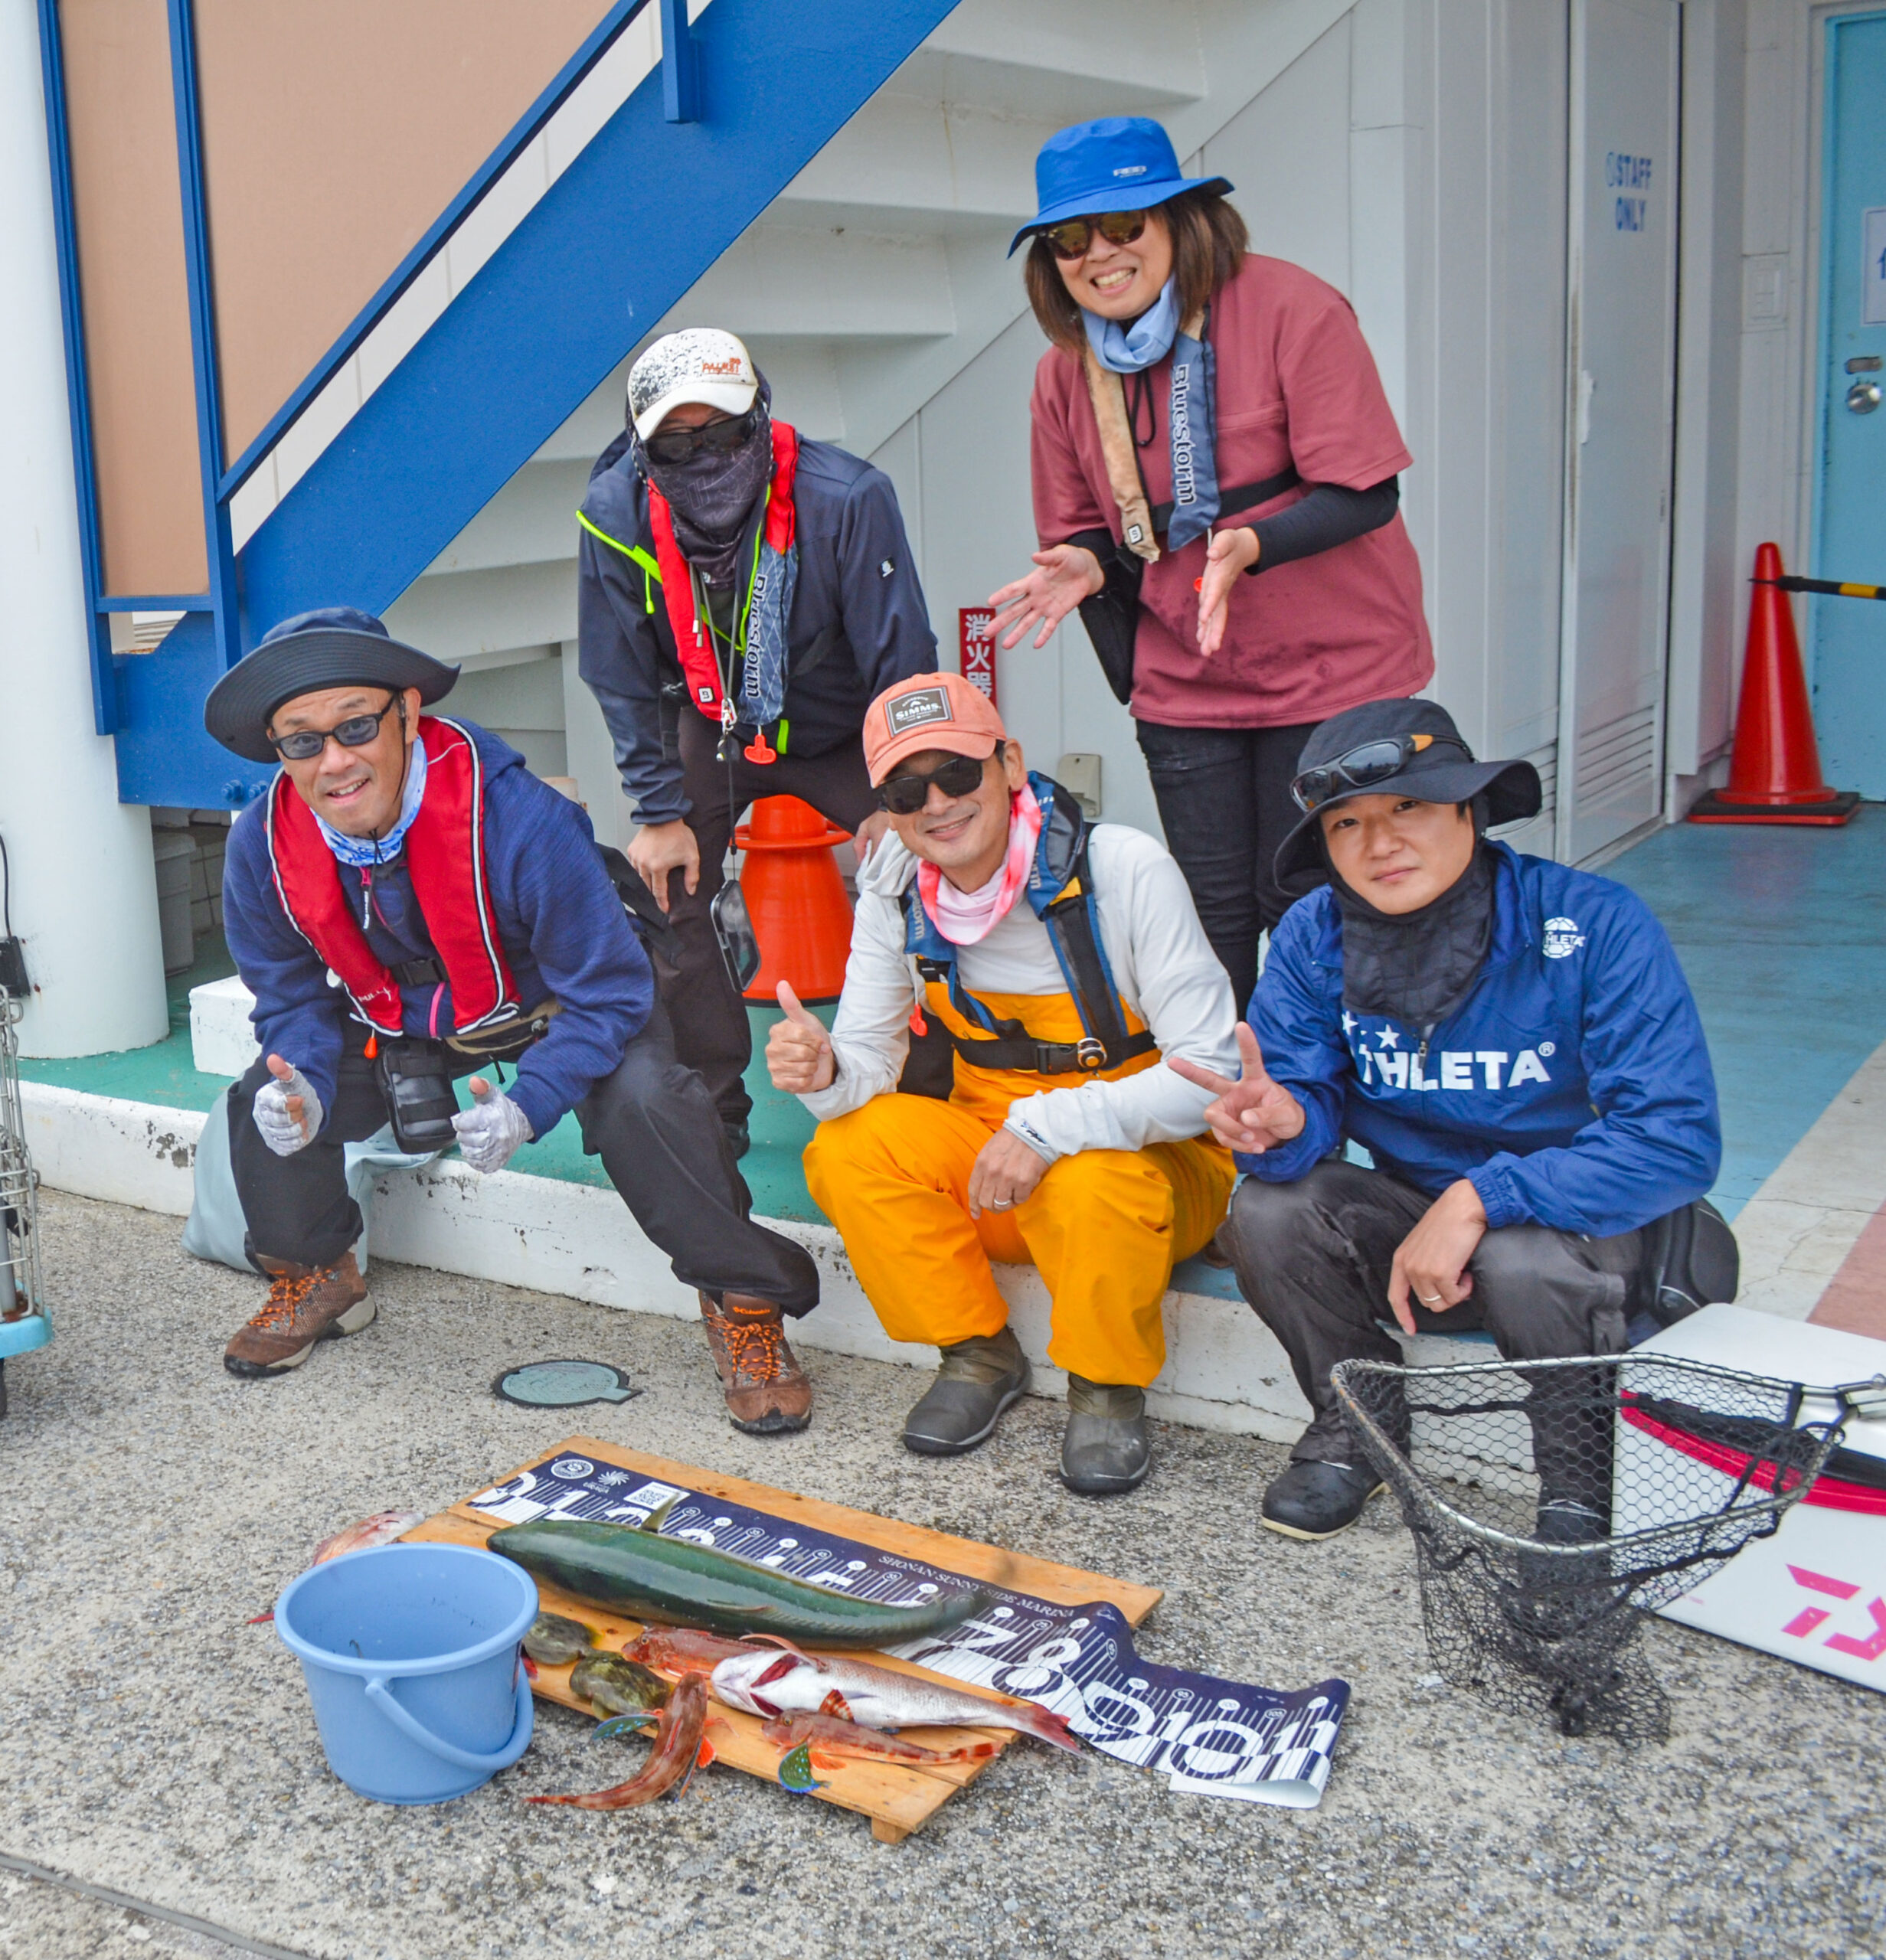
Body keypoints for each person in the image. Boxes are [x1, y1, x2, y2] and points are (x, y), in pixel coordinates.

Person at [204, 607, 820, 1433]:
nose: (335, 761)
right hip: (409, 1017)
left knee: (647, 1097)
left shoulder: (519, 816)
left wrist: (530, 1100)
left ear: (409, 713)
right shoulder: (261, 843)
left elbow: (608, 992)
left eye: (355, 725)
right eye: (302, 740)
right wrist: (304, 1083)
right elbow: (287, 994)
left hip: (559, 1000)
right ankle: (318, 1271)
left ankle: (745, 1300)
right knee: (264, 1100)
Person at [1171, 699, 1724, 1541]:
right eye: (1346, 822)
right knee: (1266, 1208)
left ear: (1469, 807)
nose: (1379, 842)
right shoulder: (1311, 934)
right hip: (1415, 1230)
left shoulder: (1595, 923)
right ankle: (1359, 1424)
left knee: (1524, 1256)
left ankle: (1577, 1484)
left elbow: (1672, 1137)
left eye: (1410, 806)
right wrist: (1286, 1122)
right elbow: (1303, 1102)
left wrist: (1480, 1197)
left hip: (1572, 1230)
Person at [992, 116, 1432, 1012]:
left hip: (1334, 673)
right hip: (1187, 682)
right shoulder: (1062, 372)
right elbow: (1084, 523)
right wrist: (1084, 563)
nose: (1100, 255)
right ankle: (1226, 1124)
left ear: (1180, 221)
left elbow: (1365, 492)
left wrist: (1254, 543)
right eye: (1071, 240)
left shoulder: (1292, 309)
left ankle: (1330, 1116)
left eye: (1125, 227)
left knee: (1316, 905)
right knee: (1212, 915)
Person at [766, 671, 1239, 1494]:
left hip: (1155, 1168)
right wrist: (825, 1069)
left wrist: (1048, 1126)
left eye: (958, 771)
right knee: (847, 1146)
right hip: (994, 1165)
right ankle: (977, 1352)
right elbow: (867, 1068)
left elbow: (1208, 1074)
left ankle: (1106, 1387)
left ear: (1010, 762)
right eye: (908, 788)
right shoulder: (895, 891)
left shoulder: (1124, 869)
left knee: (1092, 1180)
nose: (938, 802)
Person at [577, 328, 941, 1156]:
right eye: (676, 440)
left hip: (845, 731)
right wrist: (657, 809)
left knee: (935, 860)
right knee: (666, 886)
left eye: (726, 432)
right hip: (713, 725)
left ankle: (923, 1073)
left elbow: (903, 664)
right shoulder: (613, 514)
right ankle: (712, 1100)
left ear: (763, 415)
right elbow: (619, 675)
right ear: (642, 449)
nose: (704, 456)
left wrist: (901, 797)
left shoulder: (848, 496)